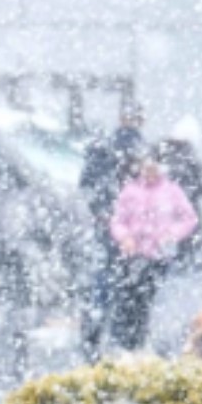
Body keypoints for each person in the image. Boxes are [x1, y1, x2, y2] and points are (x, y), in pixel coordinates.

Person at [80, 102, 148, 361]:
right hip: (134, 231)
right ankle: (123, 343)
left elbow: (86, 184)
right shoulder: (143, 150)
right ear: (141, 120)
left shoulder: (101, 147)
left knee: (102, 282)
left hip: (105, 223)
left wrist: (101, 211)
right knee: (129, 287)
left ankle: (93, 339)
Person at [109, 157, 198, 351]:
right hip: (133, 258)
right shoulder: (130, 191)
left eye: (154, 169)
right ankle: (130, 345)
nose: (149, 173)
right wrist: (125, 237)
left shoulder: (172, 191)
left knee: (155, 303)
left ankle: (152, 345)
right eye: (146, 168)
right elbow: (117, 220)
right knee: (130, 304)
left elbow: (189, 218)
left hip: (160, 258)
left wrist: (171, 235)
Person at [154, 117, 202, 276]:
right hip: (183, 220)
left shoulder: (159, 151)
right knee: (188, 261)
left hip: (159, 220)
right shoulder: (190, 159)